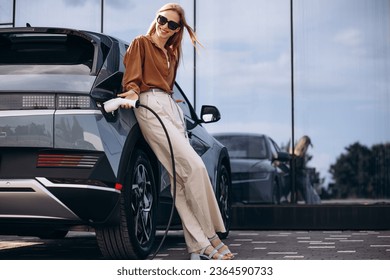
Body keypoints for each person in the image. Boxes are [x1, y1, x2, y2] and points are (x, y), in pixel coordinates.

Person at [118, 3, 234, 260]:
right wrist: (133, 92)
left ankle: (198, 248)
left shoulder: (171, 53)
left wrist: (173, 105)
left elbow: (166, 87)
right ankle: (211, 235)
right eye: (162, 20)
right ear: (156, 18)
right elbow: (133, 78)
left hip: (171, 109)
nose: (164, 27)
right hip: (150, 108)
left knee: (180, 182)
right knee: (196, 167)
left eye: (172, 24)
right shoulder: (141, 43)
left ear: (177, 29)